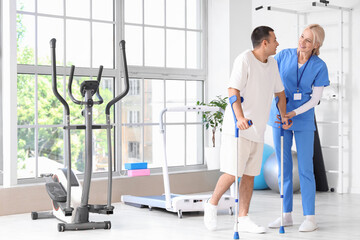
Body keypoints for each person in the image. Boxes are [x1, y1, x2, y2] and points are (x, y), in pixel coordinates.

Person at [204, 26, 291, 233]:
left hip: (257, 129)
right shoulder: (244, 60)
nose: (278, 43)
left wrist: (284, 115)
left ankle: (243, 217)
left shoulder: (273, 64)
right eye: (275, 39)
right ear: (265, 43)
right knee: (233, 173)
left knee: (250, 175)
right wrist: (240, 117)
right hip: (238, 127)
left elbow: (280, 93)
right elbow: (233, 91)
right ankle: (211, 204)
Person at [267, 24, 330, 232]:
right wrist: (281, 113)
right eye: (302, 37)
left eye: (308, 40)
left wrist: (293, 113)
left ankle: (310, 217)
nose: (302, 42)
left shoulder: (319, 65)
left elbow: (315, 99)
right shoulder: (283, 56)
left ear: (316, 45)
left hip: (302, 118)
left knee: (305, 168)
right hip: (279, 115)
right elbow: (269, 81)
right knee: (283, 168)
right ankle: (286, 215)